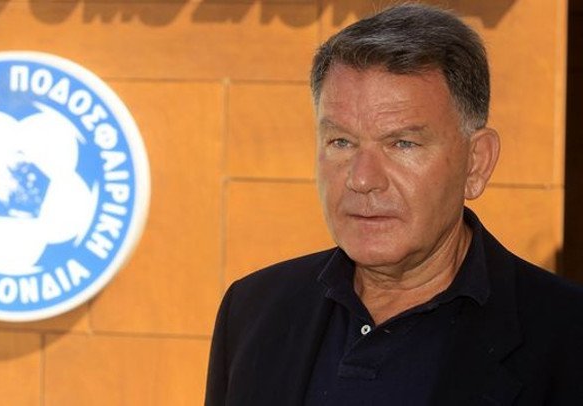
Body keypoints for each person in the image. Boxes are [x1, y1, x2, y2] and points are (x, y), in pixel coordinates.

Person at [205, 4, 583, 405]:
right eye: (341, 142)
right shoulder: (253, 310)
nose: (363, 179)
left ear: (476, 162)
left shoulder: (568, 337)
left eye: (402, 143)